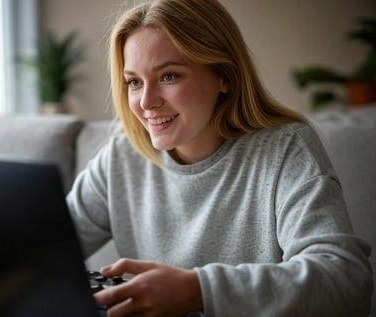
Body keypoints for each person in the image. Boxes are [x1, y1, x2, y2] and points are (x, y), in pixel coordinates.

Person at [66, 0, 373, 316]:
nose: (146, 102)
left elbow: (345, 280)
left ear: (225, 76)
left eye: (169, 76)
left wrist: (198, 290)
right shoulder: (121, 155)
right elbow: (45, 248)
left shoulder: (286, 149)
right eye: (134, 82)